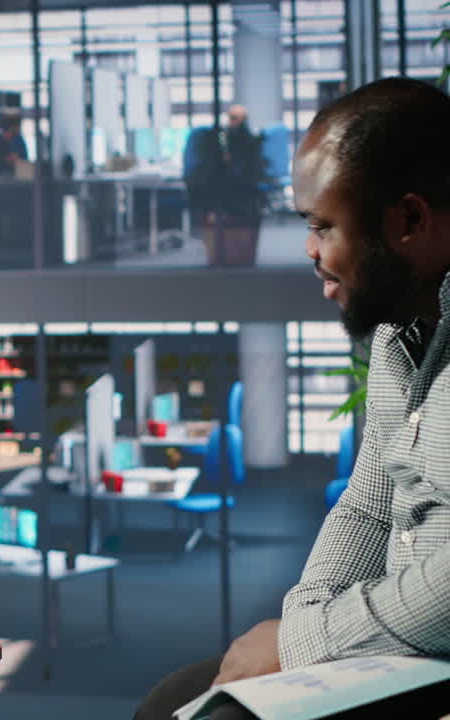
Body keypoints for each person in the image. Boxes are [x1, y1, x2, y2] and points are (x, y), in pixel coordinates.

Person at [135, 77, 450, 720]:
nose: (310, 251)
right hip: (390, 649)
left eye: (324, 226)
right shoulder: (400, 332)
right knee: (172, 701)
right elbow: (367, 504)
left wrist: (304, 641)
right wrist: (301, 623)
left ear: (409, 220)